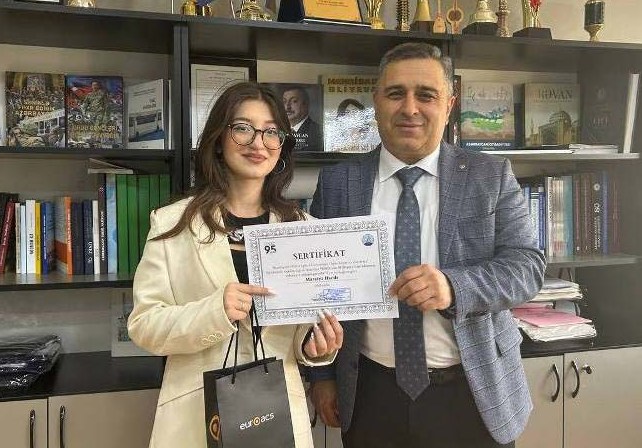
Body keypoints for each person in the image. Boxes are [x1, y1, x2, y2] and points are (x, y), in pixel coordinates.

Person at [308, 42, 545, 448]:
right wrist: (323, 376)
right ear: (376, 102)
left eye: (426, 95)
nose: (410, 108)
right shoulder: (337, 184)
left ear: (449, 105)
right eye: (395, 93)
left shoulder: (490, 176)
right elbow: (317, 287)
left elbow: (527, 267)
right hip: (369, 392)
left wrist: (453, 287)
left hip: (472, 392)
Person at [128, 81, 344, 448]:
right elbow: (144, 325)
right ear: (219, 139)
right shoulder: (172, 223)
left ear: (282, 145)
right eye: (243, 128)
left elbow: (299, 334)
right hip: (195, 416)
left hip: (278, 413)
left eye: (271, 132)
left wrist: (314, 347)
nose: (258, 143)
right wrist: (215, 311)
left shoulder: (304, 230)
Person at [281, 85, 322, 152]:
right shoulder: (279, 130)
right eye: (284, 101)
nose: (287, 107)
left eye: (294, 101)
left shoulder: (317, 132)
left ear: (306, 104)